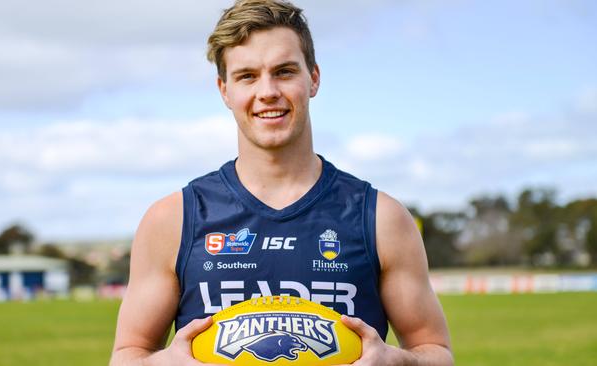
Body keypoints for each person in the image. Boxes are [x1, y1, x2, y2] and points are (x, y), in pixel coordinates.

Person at [110, 0, 453, 365]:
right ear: (224, 90)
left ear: (314, 78)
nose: (268, 91)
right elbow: (128, 356)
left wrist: (399, 361)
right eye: (247, 76)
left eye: (284, 71)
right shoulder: (174, 219)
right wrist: (163, 363)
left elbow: (436, 353)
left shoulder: (381, 217)